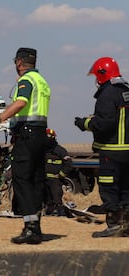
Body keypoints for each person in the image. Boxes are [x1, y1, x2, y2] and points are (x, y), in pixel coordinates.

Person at [0, 47, 51, 244]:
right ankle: (36, 224)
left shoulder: (26, 80)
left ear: (19, 63)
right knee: (37, 179)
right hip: (40, 135)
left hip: (27, 135)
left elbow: (21, 103)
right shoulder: (42, 81)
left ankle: (30, 228)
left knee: (22, 179)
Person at [75, 57, 129, 238]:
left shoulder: (107, 94)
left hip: (111, 151)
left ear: (102, 74)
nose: (96, 81)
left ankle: (114, 225)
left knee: (109, 188)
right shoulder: (126, 91)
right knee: (126, 189)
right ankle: (127, 226)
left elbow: (105, 124)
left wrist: (85, 123)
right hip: (127, 153)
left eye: (97, 76)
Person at [43, 128, 73, 216]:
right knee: (47, 199)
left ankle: (61, 214)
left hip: (55, 180)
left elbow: (69, 163)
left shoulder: (60, 150)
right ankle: (49, 212)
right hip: (44, 180)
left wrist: (61, 175)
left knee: (57, 199)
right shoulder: (42, 150)